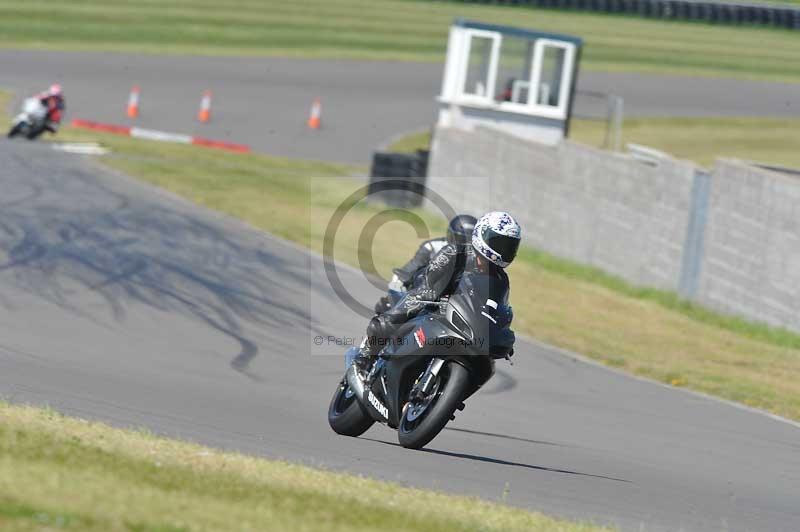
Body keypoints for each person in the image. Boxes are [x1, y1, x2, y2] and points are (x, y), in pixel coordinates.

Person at [357, 211, 521, 368]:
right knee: (387, 322)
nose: (504, 250)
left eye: (509, 246)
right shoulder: (454, 253)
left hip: (459, 317)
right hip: (429, 298)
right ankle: (366, 355)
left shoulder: (501, 279)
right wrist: (430, 295)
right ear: (482, 234)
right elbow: (429, 282)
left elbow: (496, 309)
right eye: (499, 243)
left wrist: (500, 334)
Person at [375, 214, 477, 314]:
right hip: (426, 291)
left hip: (457, 297)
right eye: (461, 240)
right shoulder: (432, 246)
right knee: (394, 294)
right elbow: (411, 269)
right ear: (451, 235)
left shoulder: (477, 257)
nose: (464, 245)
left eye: (469, 242)